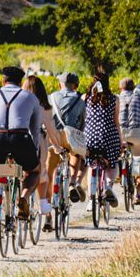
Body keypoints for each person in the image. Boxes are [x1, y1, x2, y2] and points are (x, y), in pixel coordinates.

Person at [0, 67, 44, 239]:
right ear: (20, 81)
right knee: (34, 171)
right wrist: (35, 151)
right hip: (20, 138)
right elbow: (35, 129)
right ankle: (23, 197)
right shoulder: (30, 97)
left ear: (3, 80)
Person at [21, 75, 62, 230]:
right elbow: (51, 130)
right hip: (38, 143)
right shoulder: (44, 107)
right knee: (41, 173)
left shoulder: (19, 103)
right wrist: (58, 146)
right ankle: (44, 205)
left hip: (19, 140)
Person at [83, 73, 122, 208]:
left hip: (90, 136)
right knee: (113, 161)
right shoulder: (114, 99)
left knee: (91, 165)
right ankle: (109, 186)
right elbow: (116, 122)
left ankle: (90, 199)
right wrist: (120, 142)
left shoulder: (86, 98)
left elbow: (84, 119)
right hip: (108, 135)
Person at [49, 73, 87, 203]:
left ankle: (50, 193)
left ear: (60, 84)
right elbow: (82, 123)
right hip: (71, 137)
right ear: (76, 86)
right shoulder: (80, 100)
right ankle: (72, 182)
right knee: (76, 154)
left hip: (54, 137)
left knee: (51, 167)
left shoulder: (52, 97)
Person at [117, 78, 140, 209]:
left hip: (119, 133)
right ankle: (139, 193)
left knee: (117, 156)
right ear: (133, 87)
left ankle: (118, 175)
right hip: (136, 133)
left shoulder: (116, 98)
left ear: (121, 88)